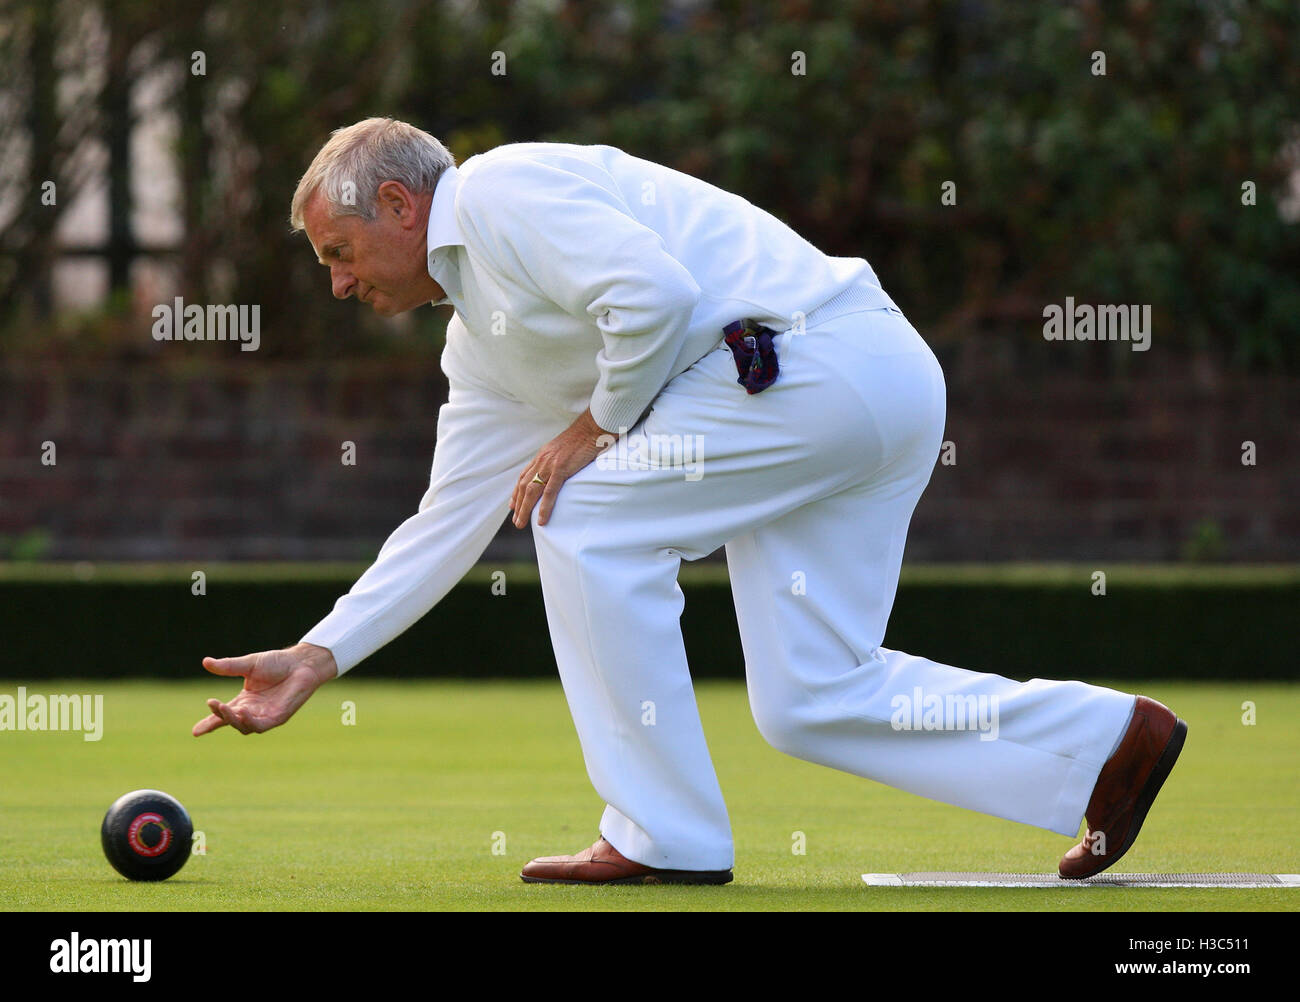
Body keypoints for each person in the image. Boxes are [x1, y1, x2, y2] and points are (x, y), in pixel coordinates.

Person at [192, 118, 1186, 884]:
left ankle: (662, 836)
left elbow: (653, 295)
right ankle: (1103, 744)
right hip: (852, 391)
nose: (335, 283)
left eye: (338, 252)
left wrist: (597, 424)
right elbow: (449, 517)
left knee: (581, 512)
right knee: (809, 697)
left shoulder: (495, 191)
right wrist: (320, 654)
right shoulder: (479, 348)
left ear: (402, 205)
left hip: (813, 366)